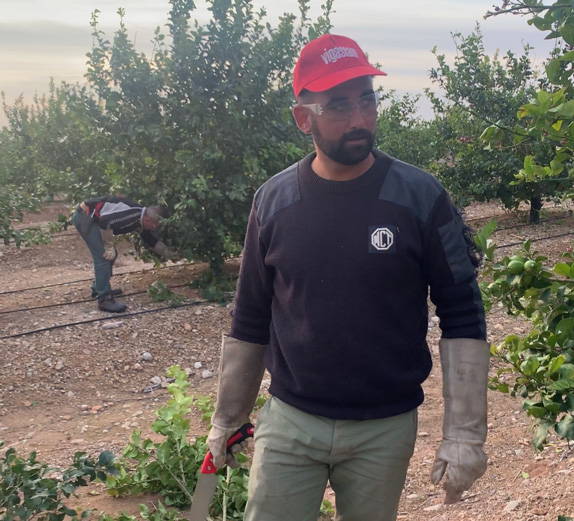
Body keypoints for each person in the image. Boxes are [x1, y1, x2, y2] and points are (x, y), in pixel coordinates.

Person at [207, 34, 489, 520]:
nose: (359, 119)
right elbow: (250, 316)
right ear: (303, 118)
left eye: (367, 101)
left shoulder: (421, 197)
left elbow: (462, 312)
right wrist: (226, 420)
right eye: (339, 106)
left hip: (384, 428)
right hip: (291, 421)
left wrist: (464, 434)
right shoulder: (273, 202)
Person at [73, 195, 177, 313]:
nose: (154, 229)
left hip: (93, 218)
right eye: (154, 226)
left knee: (111, 255)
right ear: (148, 220)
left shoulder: (140, 218)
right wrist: (109, 246)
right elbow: (105, 221)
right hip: (85, 217)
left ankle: (99, 287)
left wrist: (169, 254)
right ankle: (104, 299)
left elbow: (149, 239)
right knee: (104, 256)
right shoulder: (132, 215)